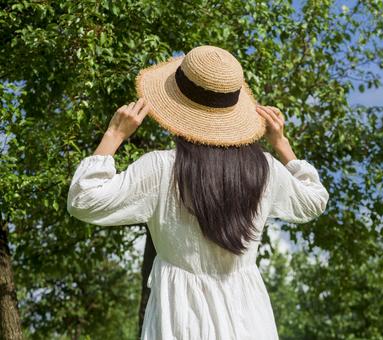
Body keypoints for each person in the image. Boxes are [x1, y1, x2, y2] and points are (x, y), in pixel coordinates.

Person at [67, 45, 329, 340]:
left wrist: (114, 134)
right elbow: (314, 200)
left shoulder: (160, 169)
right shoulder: (264, 170)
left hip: (180, 319)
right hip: (249, 319)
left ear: (176, 106)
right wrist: (281, 145)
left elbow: (83, 199)